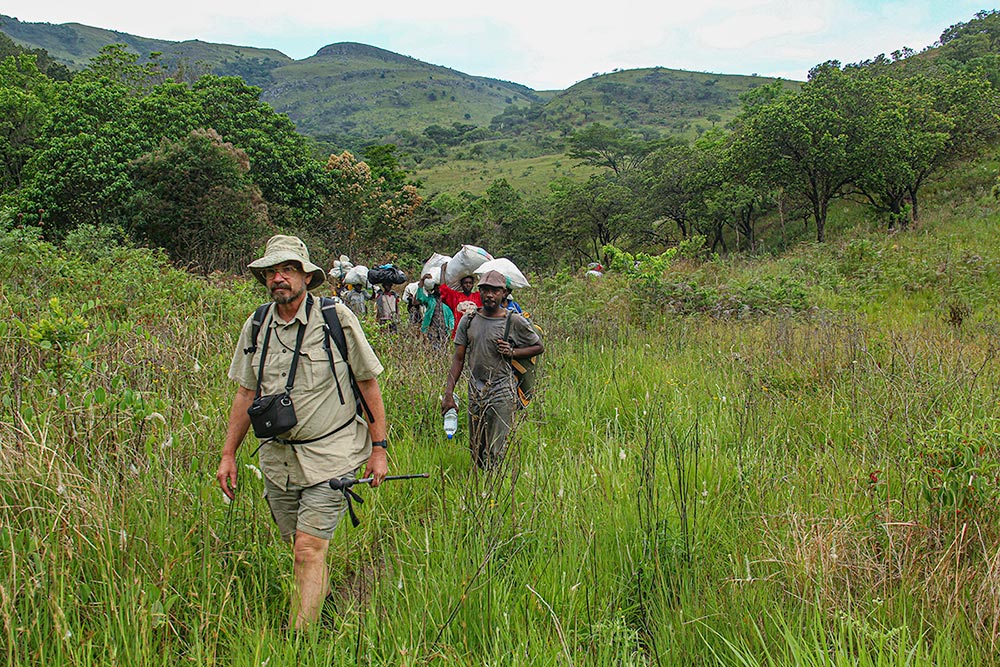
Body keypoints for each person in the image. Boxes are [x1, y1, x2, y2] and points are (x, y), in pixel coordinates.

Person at [216, 235, 389, 630]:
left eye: (289, 269)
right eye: (272, 271)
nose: (279, 278)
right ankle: (321, 605)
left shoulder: (336, 318)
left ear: (306, 277)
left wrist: (378, 448)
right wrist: (228, 454)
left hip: (332, 452)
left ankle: (300, 640)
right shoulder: (257, 325)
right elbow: (246, 392)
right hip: (278, 459)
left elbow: (367, 383)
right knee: (297, 545)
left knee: (308, 549)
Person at [442, 270, 543, 470]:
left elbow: (538, 346)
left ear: (504, 293)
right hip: (476, 390)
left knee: (495, 450)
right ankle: (480, 488)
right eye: (485, 290)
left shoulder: (513, 321)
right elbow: (458, 359)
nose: (489, 295)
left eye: (495, 291)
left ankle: (493, 491)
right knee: (476, 448)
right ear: (479, 292)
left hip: (502, 389)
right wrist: (448, 394)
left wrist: (513, 352)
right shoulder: (468, 320)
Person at [438, 262, 481, 339]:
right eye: (465, 283)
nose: (468, 285)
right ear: (461, 284)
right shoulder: (455, 297)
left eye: (470, 283)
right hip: (459, 334)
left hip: (476, 333)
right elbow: (443, 289)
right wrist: (443, 271)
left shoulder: (478, 296)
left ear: (473, 284)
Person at [416, 272, 454, 350]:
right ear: (434, 289)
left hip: (444, 331)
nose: (439, 290)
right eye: (437, 288)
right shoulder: (430, 300)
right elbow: (420, 297)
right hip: (433, 331)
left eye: (440, 288)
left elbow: (451, 317)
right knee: (433, 350)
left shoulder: (446, 302)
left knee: (444, 351)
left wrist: (451, 328)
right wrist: (422, 280)